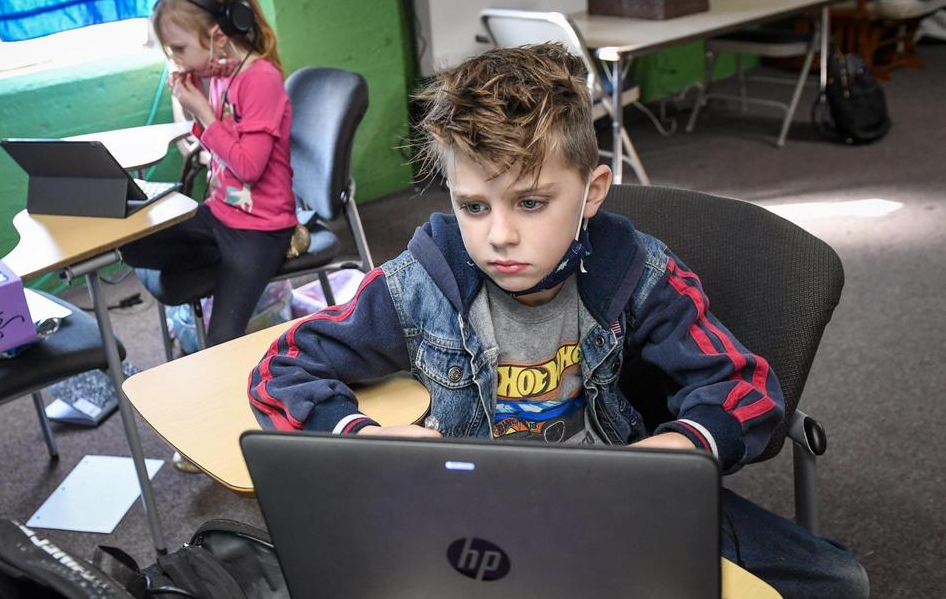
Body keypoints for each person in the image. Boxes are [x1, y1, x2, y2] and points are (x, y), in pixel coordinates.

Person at [247, 44, 869, 599]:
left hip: (617, 503)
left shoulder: (637, 271)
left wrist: (676, 451)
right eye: (473, 206)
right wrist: (360, 437)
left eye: (531, 202)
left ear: (593, 191)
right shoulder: (422, 282)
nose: (499, 236)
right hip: (471, 514)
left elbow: (748, 390)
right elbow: (282, 368)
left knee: (836, 581)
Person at [121, 0, 296, 347]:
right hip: (220, 213)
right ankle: (224, 265)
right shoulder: (218, 75)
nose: (177, 61)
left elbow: (249, 167)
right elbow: (218, 147)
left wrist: (202, 111)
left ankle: (238, 272)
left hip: (261, 228)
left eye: (180, 49)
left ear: (218, 35)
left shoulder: (261, 78)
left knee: (222, 341)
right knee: (131, 243)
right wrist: (199, 105)